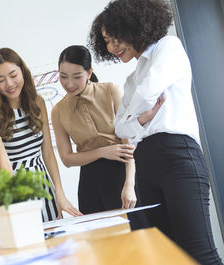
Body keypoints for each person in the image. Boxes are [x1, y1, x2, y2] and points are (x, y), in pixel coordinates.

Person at [89, 0, 222, 264]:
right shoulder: (130, 79)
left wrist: (134, 116)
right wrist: (141, 118)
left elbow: (148, 92)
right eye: (106, 41)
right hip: (146, 163)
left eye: (116, 38)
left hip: (178, 155)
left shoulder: (168, 47)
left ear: (134, 26)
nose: (112, 47)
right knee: (168, 257)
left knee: (200, 253)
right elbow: (120, 126)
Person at [51, 45, 145, 228]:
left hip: (123, 172)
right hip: (90, 182)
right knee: (101, 243)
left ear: (89, 73)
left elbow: (129, 144)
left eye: (77, 76)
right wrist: (102, 152)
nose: (69, 83)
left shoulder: (111, 91)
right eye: (63, 77)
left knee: (139, 234)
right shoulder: (58, 111)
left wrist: (130, 184)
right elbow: (67, 159)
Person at [0, 47, 81, 221]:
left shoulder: (38, 102)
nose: (10, 84)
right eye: (0, 80)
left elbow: (48, 153)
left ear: (23, 72)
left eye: (13, 75)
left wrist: (60, 193)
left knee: (55, 240)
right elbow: (4, 163)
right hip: (15, 188)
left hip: (44, 184)